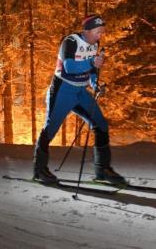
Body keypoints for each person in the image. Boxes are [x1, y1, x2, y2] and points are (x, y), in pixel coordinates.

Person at [33, 15, 126, 185]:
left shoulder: (95, 44)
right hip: (63, 89)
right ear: (87, 30)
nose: (100, 36)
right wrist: (92, 62)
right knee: (50, 129)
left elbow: (91, 72)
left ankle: (102, 170)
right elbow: (69, 67)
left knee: (101, 125)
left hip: (80, 91)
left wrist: (95, 84)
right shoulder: (70, 41)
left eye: (102, 32)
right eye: (98, 32)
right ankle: (40, 169)